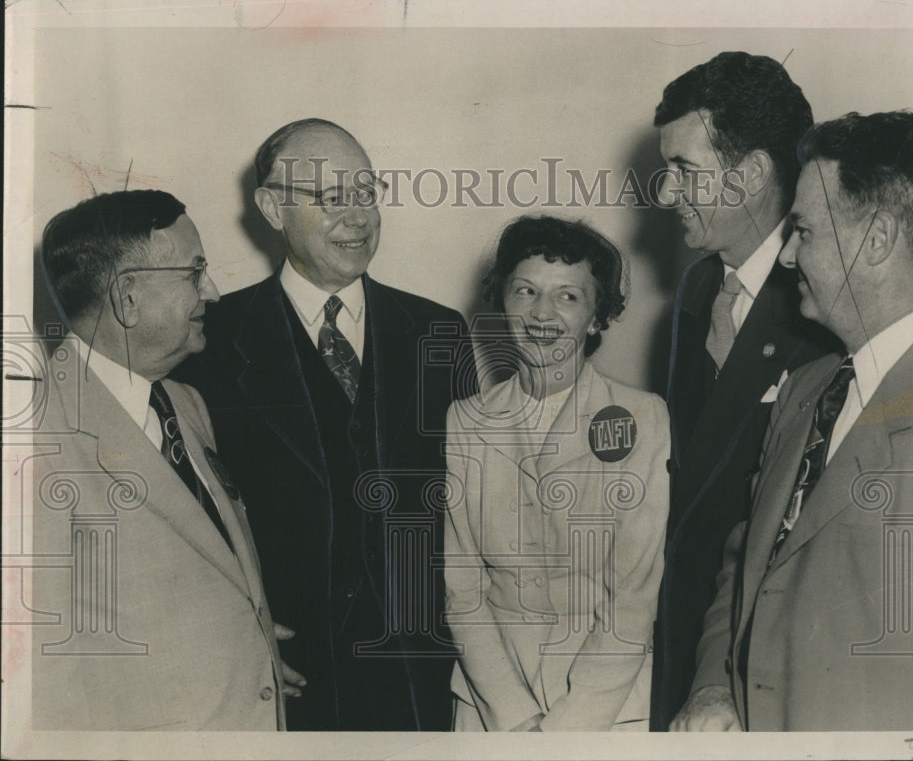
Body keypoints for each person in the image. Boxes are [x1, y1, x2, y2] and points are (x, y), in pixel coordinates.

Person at [673, 111, 913, 731]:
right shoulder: (808, 389)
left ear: (877, 240)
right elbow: (746, 566)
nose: (786, 256)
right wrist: (712, 687)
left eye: (804, 231)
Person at [173, 118, 477, 731]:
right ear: (272, 207)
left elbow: (476, 509)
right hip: (288, 673)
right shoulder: (211, 340)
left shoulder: (438, 331)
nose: (358, 216)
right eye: (333, 197)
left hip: (425, 671)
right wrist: (237, 633)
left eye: (367, 192)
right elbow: (187, 522)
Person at [31, 190, 295, 730]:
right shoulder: (34, 439)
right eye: (194, 273)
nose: (213, 292)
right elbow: (42, 685)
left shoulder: (185, 403)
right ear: (127, 298)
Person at [649, 51, 838, 729]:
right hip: (678, 650)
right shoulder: (699, 289)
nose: (666, 194)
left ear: (753, 174)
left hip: (752, 679)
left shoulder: (826, 309)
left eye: (685, 171)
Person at [444, 216, 670, 731]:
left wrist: (564, 730)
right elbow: (462, 589)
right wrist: (515, 716)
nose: (541, 313)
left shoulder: (642, 417)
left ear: (596, 317)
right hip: (491, 710)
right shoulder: (463, 421)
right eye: (525, 291)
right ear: (502, 300)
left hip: (608, 711)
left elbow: (634, 595)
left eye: (567, 297)